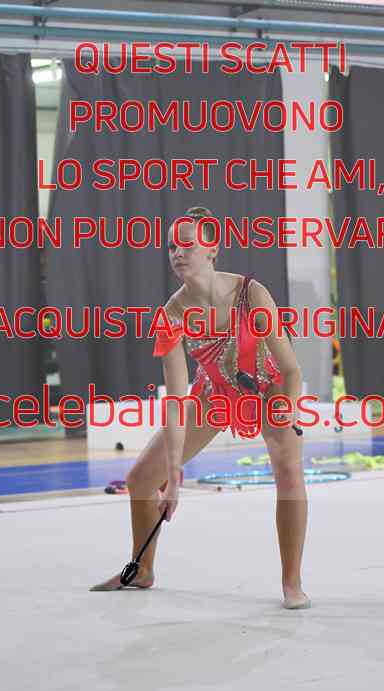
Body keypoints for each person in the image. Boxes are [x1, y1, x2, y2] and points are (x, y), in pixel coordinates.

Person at [91, 207, 310, 610]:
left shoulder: (250, 293)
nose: (177, 252)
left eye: (187, 245)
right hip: (215, 393)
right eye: (171, 246)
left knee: (289, 471)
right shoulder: (171, 315)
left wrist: (290, 407)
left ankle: (291, 583)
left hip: (270, 387)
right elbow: (176, 401)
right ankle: (142, 569)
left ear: (212, 249)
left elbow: (292, 368)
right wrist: (173, 476)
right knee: (141, 479)